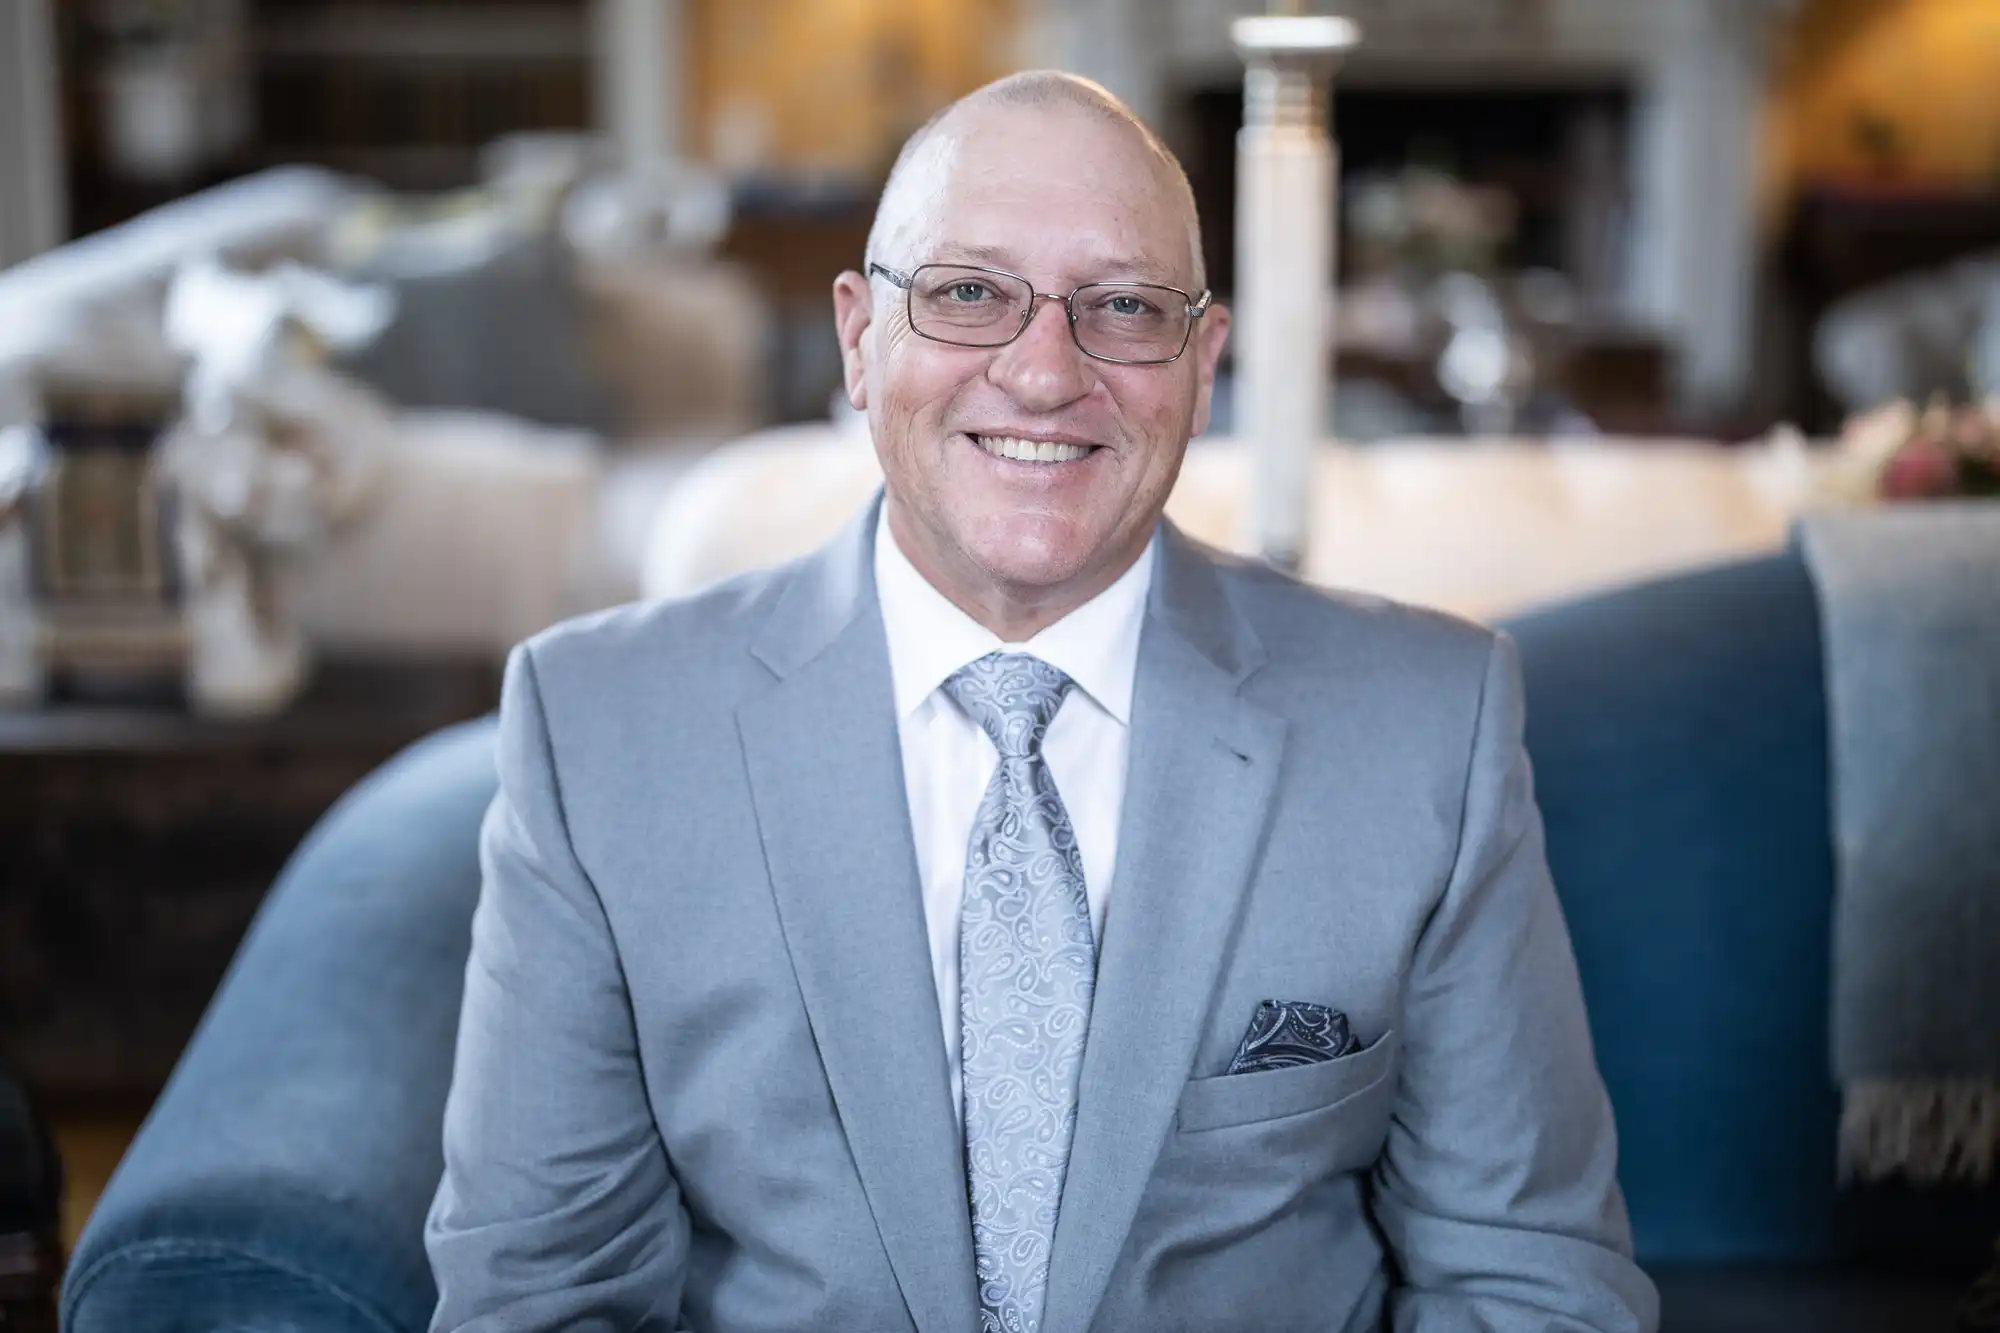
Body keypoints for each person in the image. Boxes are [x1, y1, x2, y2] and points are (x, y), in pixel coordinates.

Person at [426, 71, 1660, 1333]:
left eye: (1121, 307)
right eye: (968, 294)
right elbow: (540, 1297)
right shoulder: (599, 732)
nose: (1040, 373)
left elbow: (1527, 1286)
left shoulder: (1422, 727)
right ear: (860, 338)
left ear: (1202, 362)